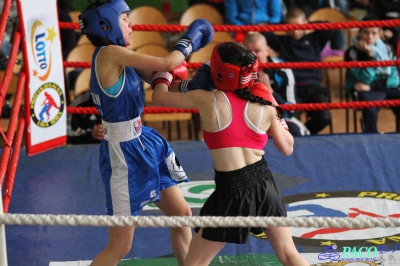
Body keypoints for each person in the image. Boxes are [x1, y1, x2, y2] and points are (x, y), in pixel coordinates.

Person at [79, 0, 214, 265]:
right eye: (125, 18)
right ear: (106, 25)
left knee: (182, 215)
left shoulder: (122, 56)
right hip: (123, 154)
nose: (132, 25)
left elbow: (161, 78)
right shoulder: (110, 54)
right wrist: (190, 39)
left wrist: (195, 84)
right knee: (120, 246)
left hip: (145, 142)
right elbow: (167, 61)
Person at [152, 42, 309, 266]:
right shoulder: (264, 104)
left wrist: (164, 73)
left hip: (233, 190)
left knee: (193, 264)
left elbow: (159, 97)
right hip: (265, 184)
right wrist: (275, 106)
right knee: (288, 254)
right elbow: (287, 148)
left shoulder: (207, 99)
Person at [262, 7, 343, 134]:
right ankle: (300, 133)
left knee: (324, 117)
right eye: (291, 27)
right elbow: (263, 31)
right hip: (292, 89)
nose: (295, 31)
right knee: (291, 119)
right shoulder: (283, 41)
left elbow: (330, 26)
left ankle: (304, 133)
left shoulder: (314, 39)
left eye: (298, 26)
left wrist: (307, 24)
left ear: (305, 23)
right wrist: (284, 26)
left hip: (314, 87)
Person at [243, 32, 310, 136]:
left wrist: (270, 92)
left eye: (257, 51)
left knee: (294, 129)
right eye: (249, 51)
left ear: (267, 51)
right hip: (248, 117)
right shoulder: (238, 70)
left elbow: (290, 110)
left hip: (276, 118)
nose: (252, 56)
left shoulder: (282, 70)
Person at [344, 16, 400, 133]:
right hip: (362, 89)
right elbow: (365, 78)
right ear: (359, 33)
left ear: (380, 33)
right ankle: (372, 139)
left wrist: (372, 86)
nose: (370, 37)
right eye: (366, 32)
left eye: (374, 33)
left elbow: (395, 79)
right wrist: (369, 56)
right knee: (370, 107)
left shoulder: (388, 49)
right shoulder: (352, 52)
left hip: (377, 87)